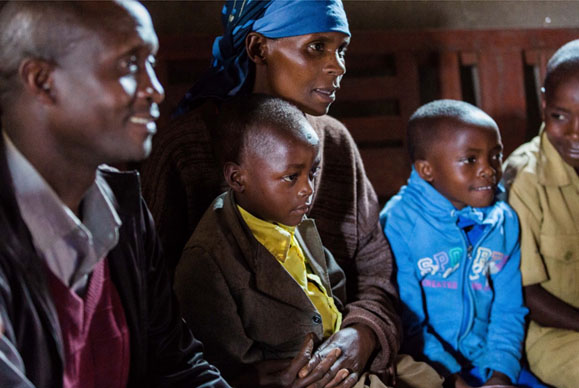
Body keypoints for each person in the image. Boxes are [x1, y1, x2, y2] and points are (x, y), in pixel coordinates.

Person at [141, 0, 403, 384]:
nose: (338, 66)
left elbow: (376, 267)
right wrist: (244, 375)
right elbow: (152, 299)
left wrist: (361, 334)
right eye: (317, 46)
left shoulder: (336, 142)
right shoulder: (187, 149)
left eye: (341, 49)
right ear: (258, 49)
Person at [0, 1, 230, 387]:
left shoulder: (122, 209)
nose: (155, 91)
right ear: (43, 81)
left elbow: (178, 366)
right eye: (129, 65)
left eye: (151, 63)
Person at [175, 94, 443, 388]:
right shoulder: (209, 257)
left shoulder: (292, 221)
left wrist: (356, 335)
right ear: (238, 179)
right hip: (302, 379)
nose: (308, 189)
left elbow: (335, 292)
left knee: (427, 377)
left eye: (312, 172)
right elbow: (224, 361)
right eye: (291, 177)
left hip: (340, 356)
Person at [380, 100, 529, 388]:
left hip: (487, 360)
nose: (488, 170)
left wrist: (500, 372)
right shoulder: (400, 222)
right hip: (427, 364)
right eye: (470, 160)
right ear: (426, 170)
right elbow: (409, 320)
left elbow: (509, 308)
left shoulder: (504, 220)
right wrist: (449, 376)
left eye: (495, 156)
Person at [502, 39, 579, 388]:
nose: (574, 133)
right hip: (553, 335)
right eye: (559, 116)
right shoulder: (524, 179)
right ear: (544, 102)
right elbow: (525, 293)